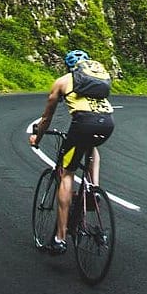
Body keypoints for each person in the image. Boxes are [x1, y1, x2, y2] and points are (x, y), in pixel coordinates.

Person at [29, 49, 114, 255]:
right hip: (107, 123)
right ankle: (93, 189)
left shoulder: (62, 81)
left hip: (84, 124)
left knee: (67, 172)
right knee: (90, 146)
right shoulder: (95, 82)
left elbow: (46, 118)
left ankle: (59, 238)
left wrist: (36, 138)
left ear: (68, 67)